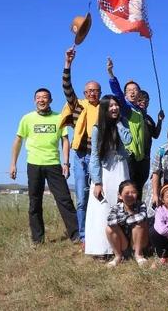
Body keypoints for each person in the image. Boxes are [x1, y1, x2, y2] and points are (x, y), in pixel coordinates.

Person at [10, 88, 79, 245]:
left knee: (64, 199)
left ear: (50, 100)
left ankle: (76, 235)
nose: (41, 100)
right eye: (38, 98)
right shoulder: (27, 119)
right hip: (34, 165)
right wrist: (13, 164)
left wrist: (66, 163)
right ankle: (37, 240)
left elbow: (65, 140)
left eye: (45, 97)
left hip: (54, 164)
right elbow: (18, 141)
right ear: (35, 100)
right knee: (35, 202)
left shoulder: (59, 117)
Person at [60, 47, 101, 244]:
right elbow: (67, 87)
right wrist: (68, 64)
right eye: (89, 90)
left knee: (99, 195)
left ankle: (99, 231)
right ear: (85, 93)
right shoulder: (78, 105)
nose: (93, 93)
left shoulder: (105, 108)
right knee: (82, 198)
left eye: (96, 90)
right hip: (79, 155)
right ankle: (83, 235)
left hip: (98, 156)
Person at [84, 95, 132, 256]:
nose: (114, 108)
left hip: (121, 168)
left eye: (116, 105)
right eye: (110, 106)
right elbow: (95, 156)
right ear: (104, 108)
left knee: (122, 206)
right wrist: (97, 181)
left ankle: (123, 248)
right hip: (105, 172)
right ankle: (102, 248)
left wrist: (118, 122)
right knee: (102, 209)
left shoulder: (122, 123)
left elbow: (128, 139)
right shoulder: (97, 128)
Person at [106, 58, 148, 198]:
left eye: (135, 90)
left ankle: (138, 218)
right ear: (125, 94)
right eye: (129, 90)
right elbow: (117, 93)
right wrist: (111, 74)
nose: (132, 92)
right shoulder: (125, 109)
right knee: (128, 190)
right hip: (129, 155)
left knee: (138, 190)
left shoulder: (139, 111)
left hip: (141, 157)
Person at [105, 180, 148, 267]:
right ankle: (118, 256)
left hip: (137, 242)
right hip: (123, 243)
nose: (130, 195)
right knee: (109, 228)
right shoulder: (116, 207)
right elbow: (110, 221)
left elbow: (142, 216)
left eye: (133, 192)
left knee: (140, 224)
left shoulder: (141, 204)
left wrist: (122, 220)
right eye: (127, 193)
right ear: (120, 196)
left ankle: (138, 254)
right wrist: (130, 218)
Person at [136, 90, 165, 186]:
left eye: (146, 101)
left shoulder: (148, 118)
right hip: (133, 156)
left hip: (146, 156)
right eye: (140, 100)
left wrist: (160, 121)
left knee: (141, 181)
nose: (143, 103)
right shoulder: (131, 115)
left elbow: (156, 135)